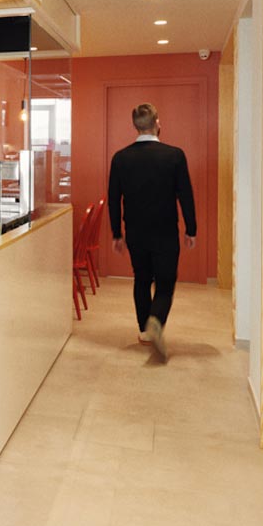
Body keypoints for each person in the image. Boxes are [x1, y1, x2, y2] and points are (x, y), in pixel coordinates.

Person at [107, 102, 196, 360]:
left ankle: (145, 331)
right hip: (165, 230)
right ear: (158, 123)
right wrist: (191, 229)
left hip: (135, 232)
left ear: (135, 125)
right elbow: (185, 196)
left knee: (142, 278)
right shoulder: (175, 155)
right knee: (165, 282)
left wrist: (116, 233)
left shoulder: (120, 158)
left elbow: (114, 199)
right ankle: (156, 320)